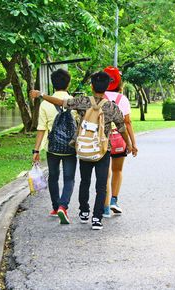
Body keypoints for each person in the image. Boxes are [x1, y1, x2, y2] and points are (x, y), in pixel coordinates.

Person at [30, 72, 133, 230]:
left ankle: (84, 211)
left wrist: (41, 94)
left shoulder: (83, 101)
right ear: (106, 88)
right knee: (101, 185)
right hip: (103, 151)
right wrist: (130, 144)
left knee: (84, 182)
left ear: (91, 86)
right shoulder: (112, 107)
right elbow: (122, 128)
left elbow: (60, 102)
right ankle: (97, 218)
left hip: (84, 149)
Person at [32, 69, 77, 225]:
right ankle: (63, 207)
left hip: (52, 147)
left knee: (53, 176)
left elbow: (41, 128)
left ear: (53, 83)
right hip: (71, 146)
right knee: (69, 178)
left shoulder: (45, 104)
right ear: (68, 83)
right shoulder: (75, 101)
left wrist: (36, 150)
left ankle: (55, 206)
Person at [103, 66, 138, 218]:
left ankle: (104, 207)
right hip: (118, 139)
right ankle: (114, 200)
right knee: (117, 170)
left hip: (101, 140)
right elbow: (127, 122)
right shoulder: (122, 99)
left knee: (104, 173)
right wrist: (133, 143)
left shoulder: (98, 96)